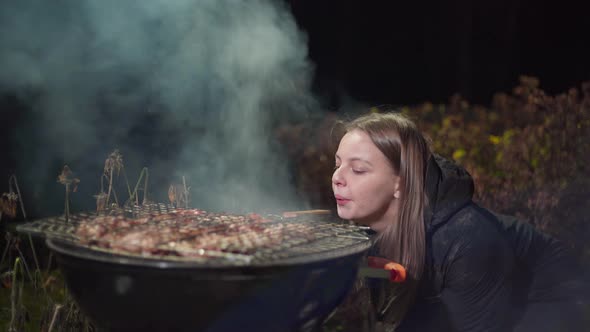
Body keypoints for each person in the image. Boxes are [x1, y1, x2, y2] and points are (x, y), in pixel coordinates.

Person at [331, 111, 588, 331]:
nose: (337, 177)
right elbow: (392, 281)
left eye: (358, 169)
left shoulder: (466, 240)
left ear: (401, 183)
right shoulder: (373, 227)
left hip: (562, 307)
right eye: (338, 164)